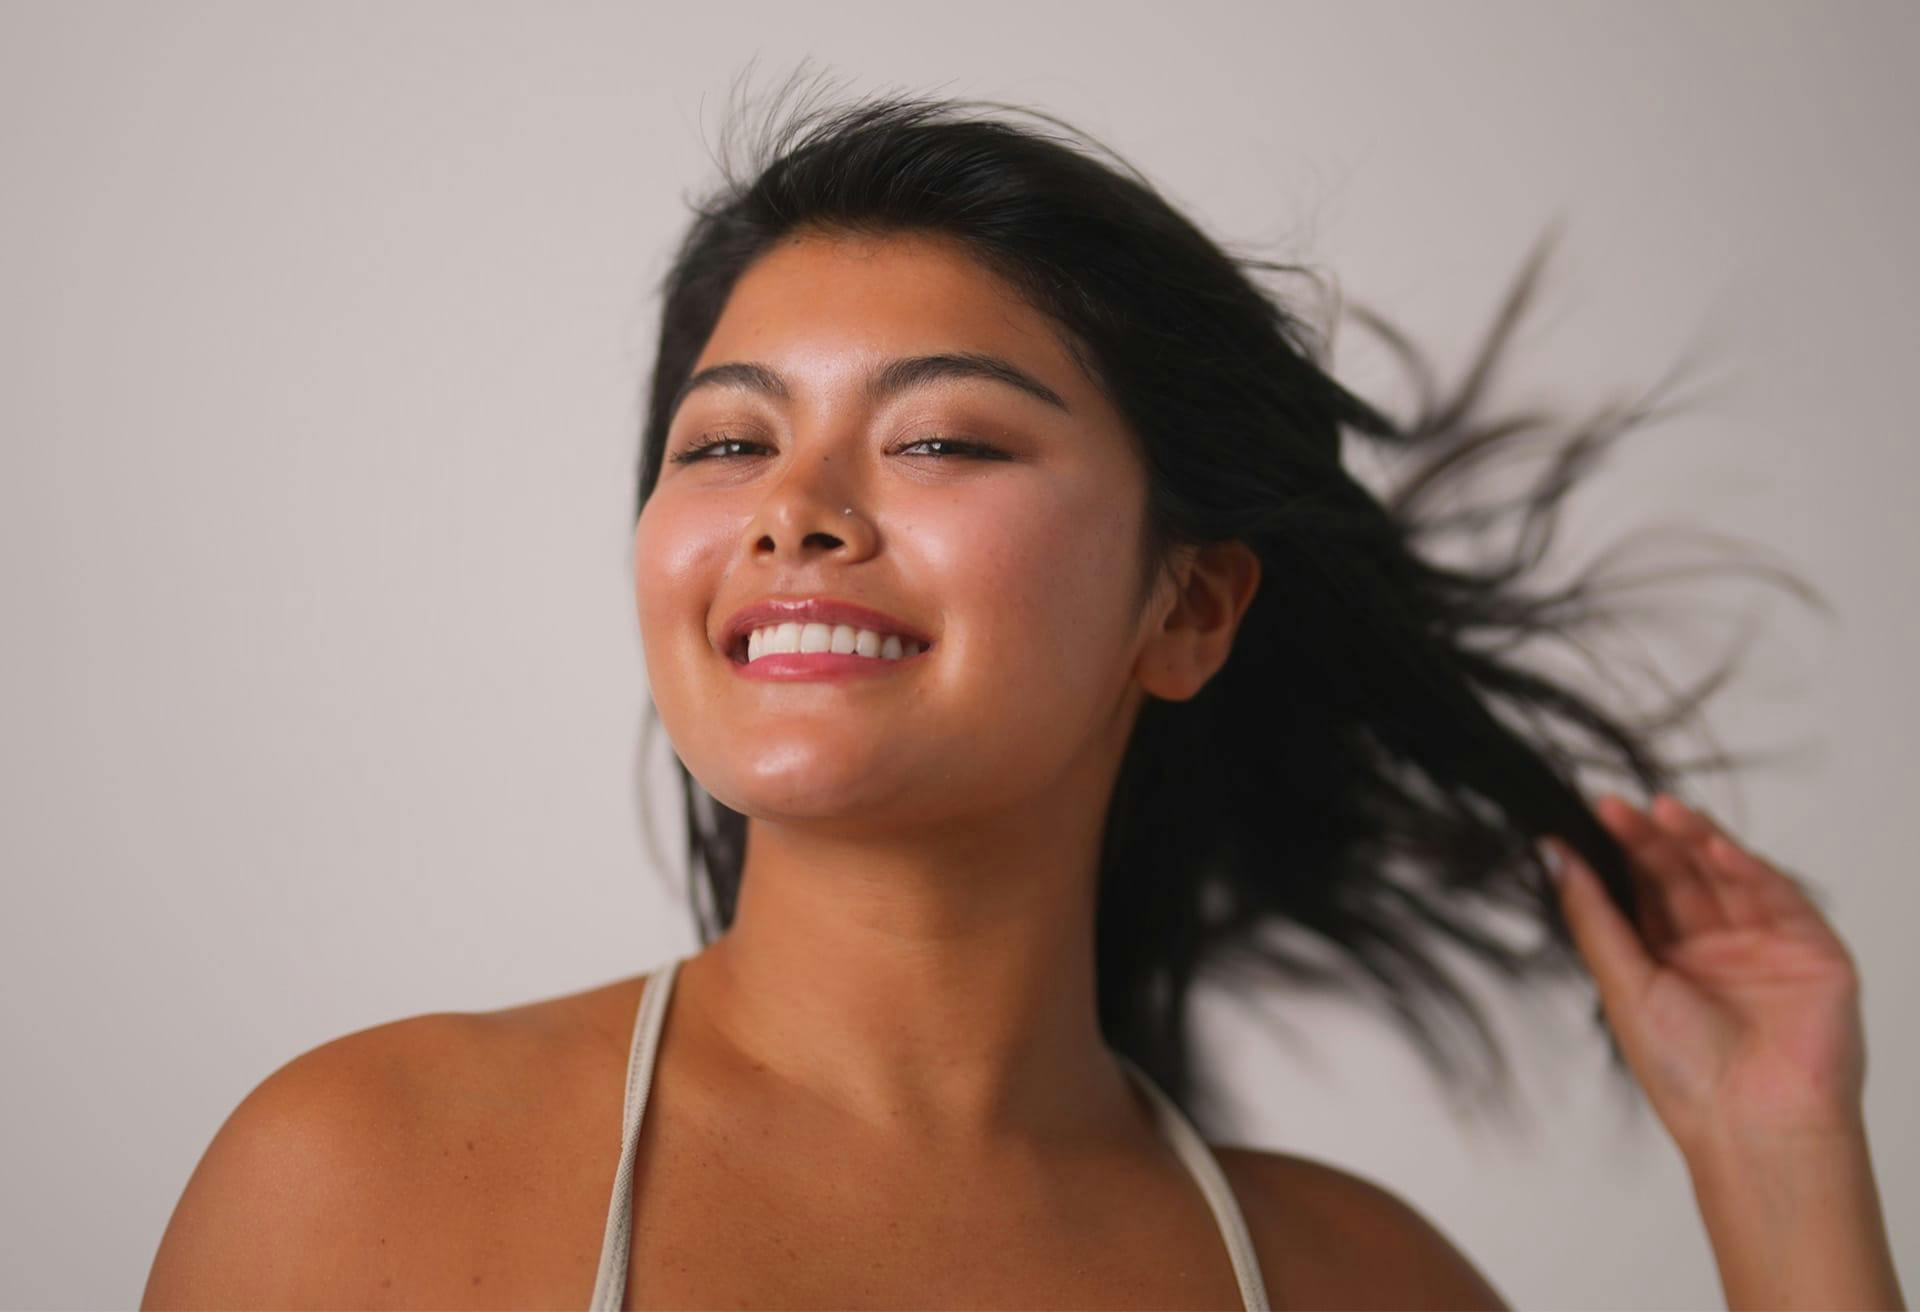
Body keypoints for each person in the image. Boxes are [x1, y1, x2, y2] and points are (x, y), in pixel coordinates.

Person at [142, 77, 1906, 1310]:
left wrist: (1783, 1170)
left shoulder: (1366, 1285)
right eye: (728, 439)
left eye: (941, 437)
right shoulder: (361, 1178)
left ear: (1189, 607)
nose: (795, 511)